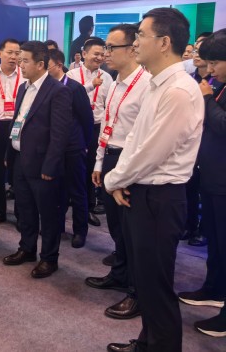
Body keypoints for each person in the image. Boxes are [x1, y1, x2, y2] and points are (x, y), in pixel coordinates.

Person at [105, 8, 204, 352]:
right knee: (145, 280)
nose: (135, 44)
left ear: (164, 42)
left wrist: (113, 180)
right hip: (142, 190)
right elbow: (135, 139)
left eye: (141, 36)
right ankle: (147, 343)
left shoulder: (178, 90)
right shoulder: (156, 84)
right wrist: (120, 179)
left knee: (157, 285)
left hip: (160, 198)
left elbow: (152, 152)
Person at [85, 24, 151, 322]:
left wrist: (122, 175)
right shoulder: (113, 83)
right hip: (111, 158)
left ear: (133, 48)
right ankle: (120, 273)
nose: (105, 54)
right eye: (105, 48)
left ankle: (137, 291)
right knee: (116, 227)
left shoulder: (147, 85)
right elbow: (107, 126)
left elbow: (144, 139)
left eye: (112, 48)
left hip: (132, 164)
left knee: (135, 233)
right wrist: (100, 164)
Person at [3, 41, 72, 278]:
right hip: (20, 159)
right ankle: (27, 248)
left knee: (48, 214)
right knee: (25, 209)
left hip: (42, 164)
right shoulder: (24, 88)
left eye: (24, 61)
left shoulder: (58, 91)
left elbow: (60, 134)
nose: (19, 64)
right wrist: (9, 154)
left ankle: (49, 258)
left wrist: (50, 166)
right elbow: (18, 122)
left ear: (40, 64)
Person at [178, 29, 226, 338]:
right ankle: (214, 289)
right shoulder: (220, 85)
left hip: (223, 182)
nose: (209, 70)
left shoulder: (214, 90)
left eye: (214, 63)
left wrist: (207, 99)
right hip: (212, 178)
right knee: (216, 244)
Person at [47, 49, 93, 248]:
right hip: (54, 149)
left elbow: (86, 119)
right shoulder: (46, 88)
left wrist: (85, 145)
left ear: (58, 65)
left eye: (47, 65)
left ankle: (80, 231)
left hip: (74, 148)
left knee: (77, 191)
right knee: (56, 191)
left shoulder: (75, 88)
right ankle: (57, 226)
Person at [67, 37, 113, 226]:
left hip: (97, 127)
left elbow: (109, 104)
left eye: (102, 54)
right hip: (76, 126)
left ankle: (88, 208)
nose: (100, 57)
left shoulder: (107, 77)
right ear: (84, 54)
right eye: (96, 54)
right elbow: (68, 97)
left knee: (92, 167)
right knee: (75, 167)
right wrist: (90, 85)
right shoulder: (72, 75)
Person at [0, 38, 25, 225]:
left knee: (20, 172)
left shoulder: (25, 76)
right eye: (10, 52)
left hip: (20, 127)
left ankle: (21, 214)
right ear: (0, 53)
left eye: (17, 53)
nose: (13, 57)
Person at [183, 32, 214, 247]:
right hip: (189, 139)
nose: (196, 54)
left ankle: (203, 230)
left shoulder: (217, 82)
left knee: (206, 187)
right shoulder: (188, 79)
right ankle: (189, 224)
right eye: (195, 49)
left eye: (201, 50)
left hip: (210, 141)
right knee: (189, 185)